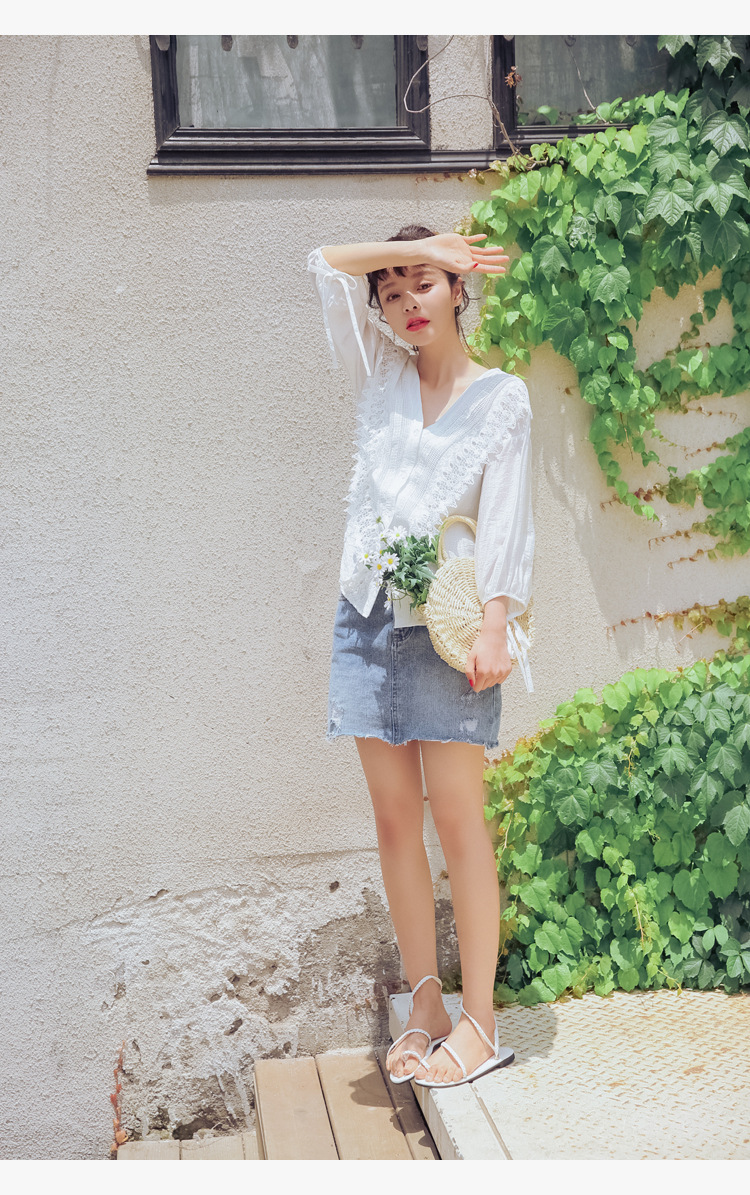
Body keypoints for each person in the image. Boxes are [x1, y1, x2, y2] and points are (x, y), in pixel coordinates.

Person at [306, 227, 535, 1089]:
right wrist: (423, 244)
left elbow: (507, 518)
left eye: (426, 283)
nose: (408, 302)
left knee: (459, 818)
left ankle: (480, 1022)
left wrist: (496, 623)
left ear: (459, 290)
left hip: (450, 631)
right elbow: (326, 262)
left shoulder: (501, 398)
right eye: (393, 290)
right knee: (396, 819)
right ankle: (427, 1004)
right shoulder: (382, 376)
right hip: (366, 618)